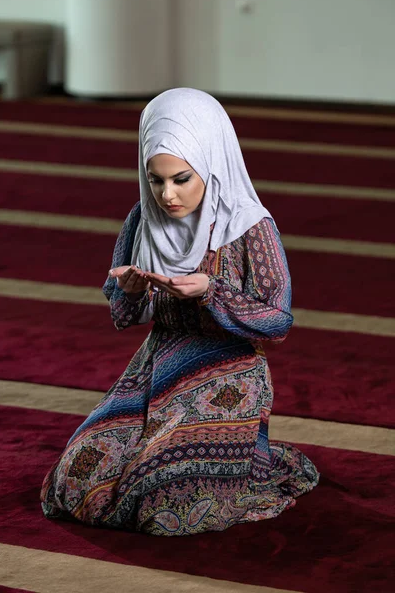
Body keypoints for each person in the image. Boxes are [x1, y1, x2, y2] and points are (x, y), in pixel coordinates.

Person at [41, 88, 319, 536]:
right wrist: (131, 292)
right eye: (156, 180)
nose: (167, 195)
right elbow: (125, 315)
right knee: (76, 479)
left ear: (209, 163)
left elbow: (277, 321)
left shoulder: (249, 226)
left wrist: (212, 290)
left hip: (229, 371)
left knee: (167, 497)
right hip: (156, 364)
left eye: (181, 179)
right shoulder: (143, 219)